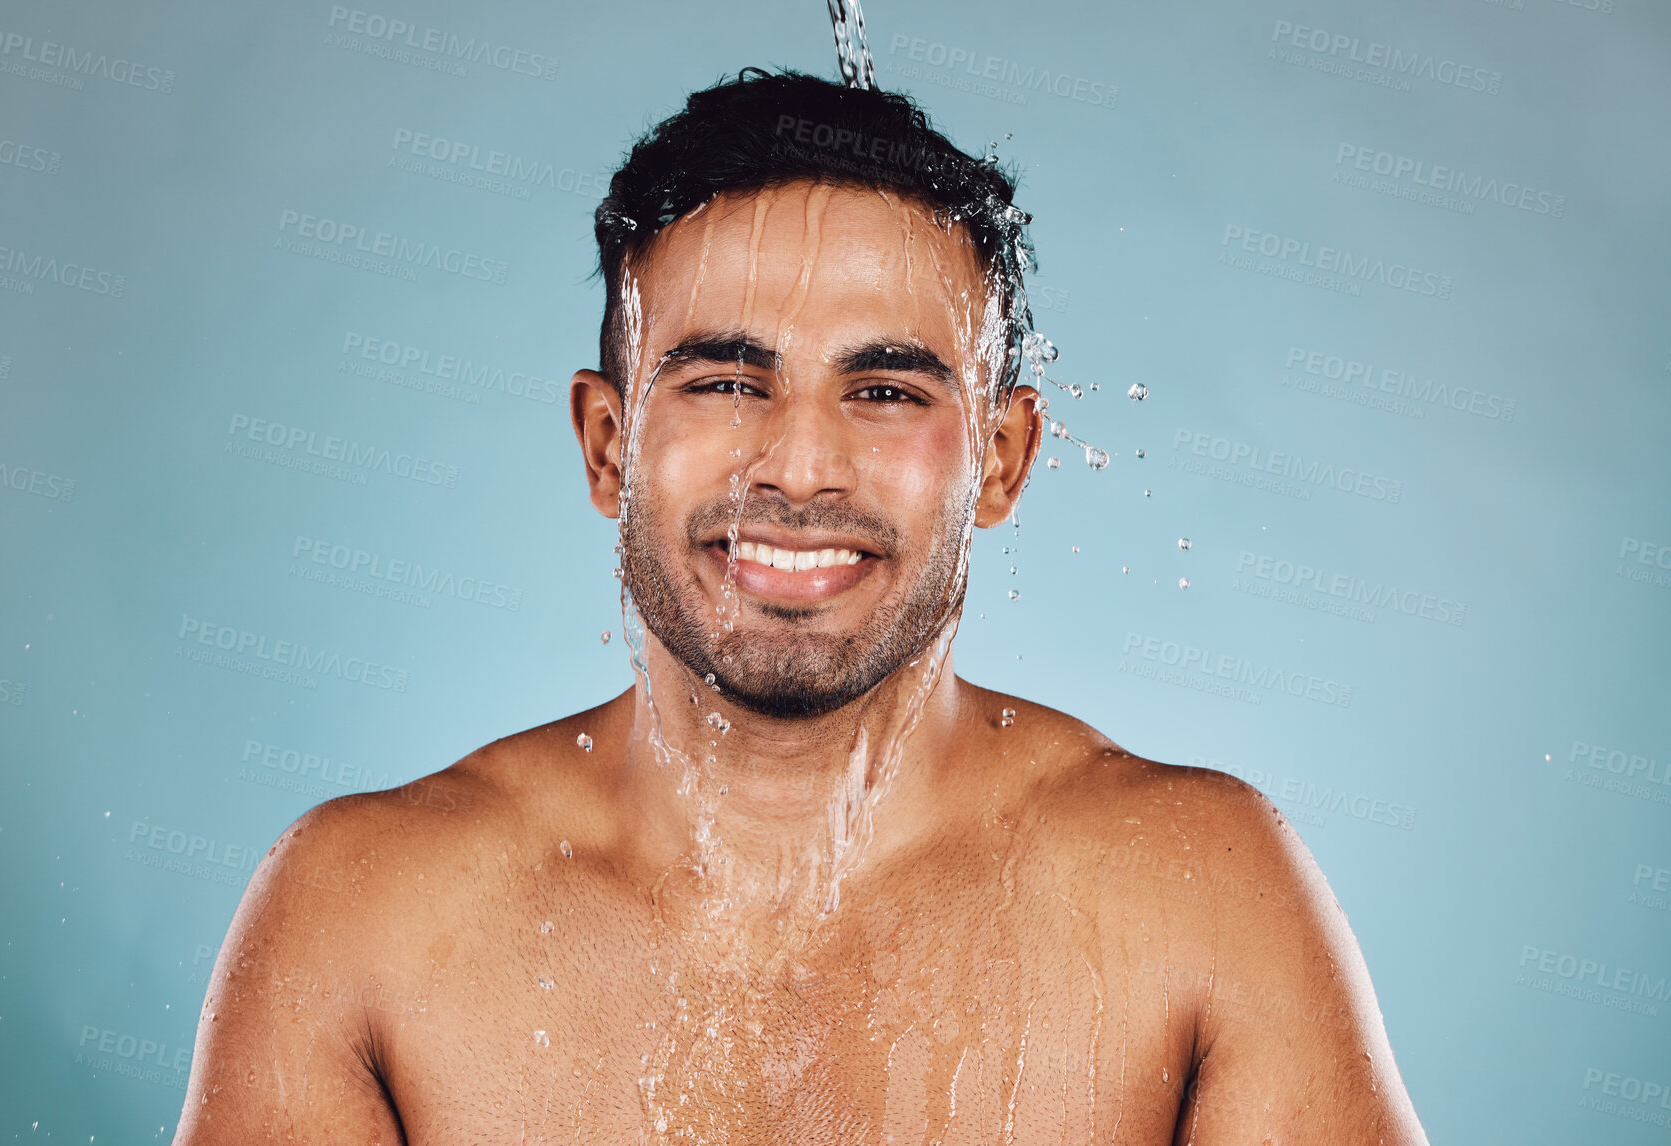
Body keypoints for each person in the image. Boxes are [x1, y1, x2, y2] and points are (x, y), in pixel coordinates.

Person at [175, 70, 1430, 1145]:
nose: (799, 467)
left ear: (1000, 458)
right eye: (726, 380)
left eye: (885, 392)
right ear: (608, 444)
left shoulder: (1199, 895)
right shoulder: (367, 912)